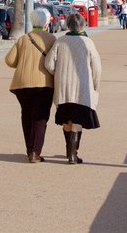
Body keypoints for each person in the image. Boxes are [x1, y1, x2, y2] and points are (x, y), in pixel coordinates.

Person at [45, 13, 102, 164]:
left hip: (63, 88)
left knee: (66, 118)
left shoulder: (60, 41)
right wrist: (95, 86)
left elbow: (49, 64)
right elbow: (97, 68)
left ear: (68, 24)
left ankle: (69, 151)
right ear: (82, 25)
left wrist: (58, 73)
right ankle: (73, 154)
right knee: (77, 120)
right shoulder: (88, 42)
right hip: (82, 88)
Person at [4, 8, 56, 163]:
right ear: (46, 23)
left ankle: (29, 150)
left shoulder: (23, 39)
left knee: (26, 115)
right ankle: (35, 152)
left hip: (22, 83)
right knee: (40, 118)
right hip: (44, 84)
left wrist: (24, 64)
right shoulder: (52, 39)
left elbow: (9, 60)